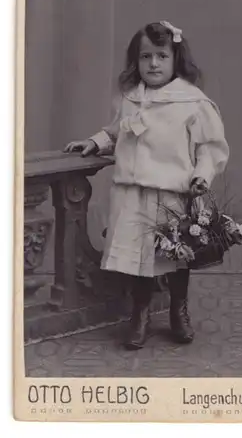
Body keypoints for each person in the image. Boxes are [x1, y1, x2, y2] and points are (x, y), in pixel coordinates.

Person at [64, 21, 229, 350]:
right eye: (146, 57)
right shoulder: (131, 99)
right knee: (138, 261)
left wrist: (201, 176)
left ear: (175, 59)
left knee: (176, 255)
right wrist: (95, 142)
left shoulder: (192, 103)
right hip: (132, 194)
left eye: (161, 56)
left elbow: (210, 148)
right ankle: (139, 314)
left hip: (171, 193)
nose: (153, 64)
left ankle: (177, 310)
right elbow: (117, 132)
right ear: (136, 60)